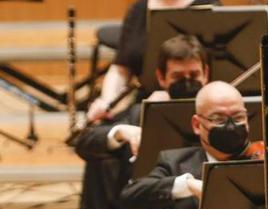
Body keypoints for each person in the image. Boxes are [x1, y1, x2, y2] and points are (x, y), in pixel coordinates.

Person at [57, 34, 210, 209]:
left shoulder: (213, 116)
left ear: (206, 74)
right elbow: (85, 142)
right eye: (178, 75)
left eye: (194, 74)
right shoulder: (139, 114)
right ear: (161, 77)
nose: (187, 81)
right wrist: (121, 133)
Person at [118, 81, 263, 209]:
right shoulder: (175, 162)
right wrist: (185, 185)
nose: (230, 126)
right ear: (197, 125)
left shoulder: (267, 160)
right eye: (218, 119)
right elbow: (130, 200)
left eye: (238, 117)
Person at [87, 0, 219, 124]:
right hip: (145, 103)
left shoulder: (210, 6)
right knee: (99, 136)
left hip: (201, 105)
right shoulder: (139, 9)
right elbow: (121, 68)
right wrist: (107, 102)